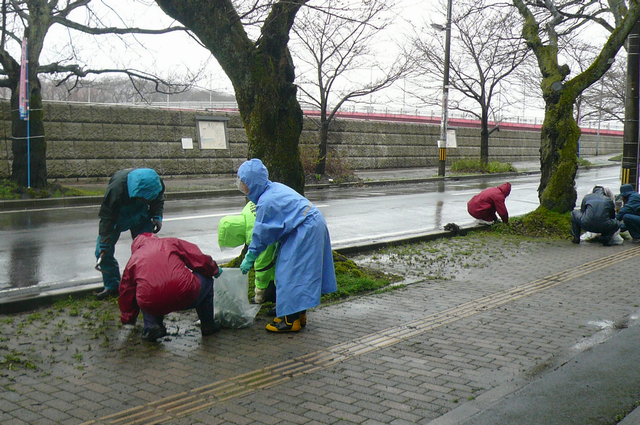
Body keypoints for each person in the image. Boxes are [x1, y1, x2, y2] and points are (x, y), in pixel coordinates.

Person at [236, 159, 337, 332]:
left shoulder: (266, 202)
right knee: (300, 273)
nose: (241, 186)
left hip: (305, 229)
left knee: (289, 273)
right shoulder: (272, 188)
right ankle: (298, 313)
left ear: (251, 183)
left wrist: (249, 258)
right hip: (309, 225)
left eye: (243, 182)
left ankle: (290, 322)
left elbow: (261, 235)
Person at [118, 233, 222, 341]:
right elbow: (198, 259)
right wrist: (214, 269)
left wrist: (128, 318)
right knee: (206, 278)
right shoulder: (169, 243)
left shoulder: (133, 260)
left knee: (144, 291)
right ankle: (208, 325)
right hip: (186, 293)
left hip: (153, 304)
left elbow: (126, 293)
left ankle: (152, 327)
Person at [95, 168, 165, 300]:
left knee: (147, 252)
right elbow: (107, 216)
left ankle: (145, 284)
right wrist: (105, 241)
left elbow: (159, 199)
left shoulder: (156, 183)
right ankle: (112, 286)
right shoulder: (116, 189)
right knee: (103, 252)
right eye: (141, 198)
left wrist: (157, 216)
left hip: (141, 217)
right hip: (117, 217)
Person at [217, 202, 277, 304]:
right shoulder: (247, 209)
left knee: (286, 279)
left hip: (295, 241)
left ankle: (286, 312)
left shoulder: (255, 234)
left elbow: (263, 264)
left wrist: (259, 293)